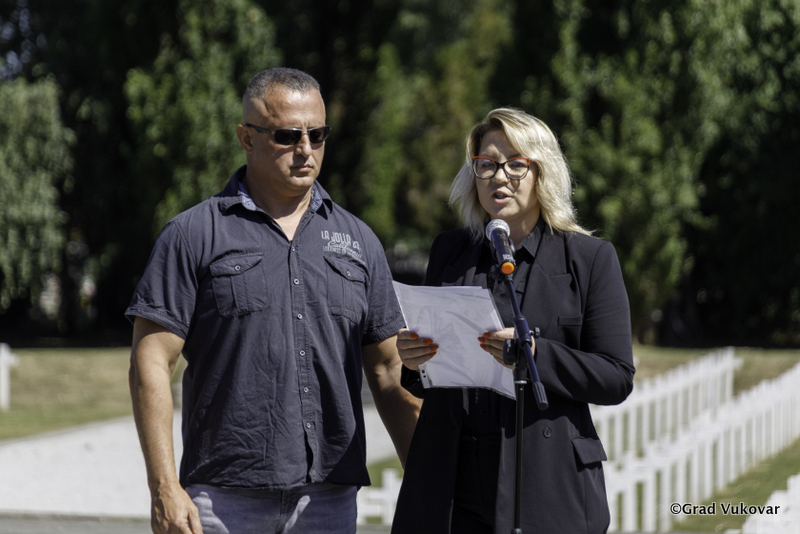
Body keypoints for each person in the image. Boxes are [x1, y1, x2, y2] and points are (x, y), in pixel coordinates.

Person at [127, 67, 421, 534]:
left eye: (317, 135)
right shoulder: (192, 234)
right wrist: (163, 486)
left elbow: (388, 371)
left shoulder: (359, 240)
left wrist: (426, 481)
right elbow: (151, 362)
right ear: (247, 138)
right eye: (287, 136)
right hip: (222, 501)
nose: (306, 149)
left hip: (329, 501)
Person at [391, 108, 634, 533]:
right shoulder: (450, 250)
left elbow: (616, 377)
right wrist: (414, 361)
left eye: (515, 164)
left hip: (545, 480)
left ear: (542, 172)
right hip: (450, 482)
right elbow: (432, 373)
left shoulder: (589, 259)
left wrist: (536, 355)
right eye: (486, 164)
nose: (499, 177)